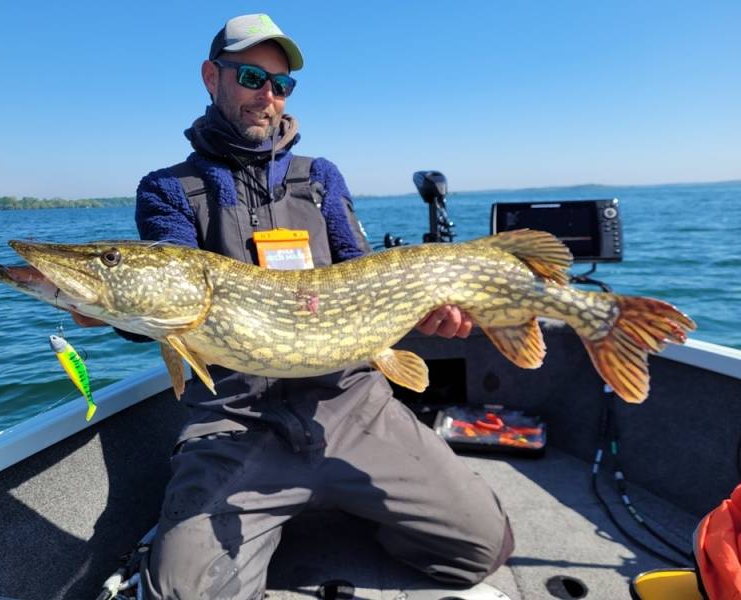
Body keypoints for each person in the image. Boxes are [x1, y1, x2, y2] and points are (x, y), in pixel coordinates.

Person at [76, 13, 513, 599]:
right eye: (253, 77)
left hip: (351, 406)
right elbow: (169, 297)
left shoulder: (321, 178)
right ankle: (288, 516)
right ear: (212, 77)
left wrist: (425, 313)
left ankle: (342, 509)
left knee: (482, 549)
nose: (269, 96)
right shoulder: (168, 189)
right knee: (180, 594)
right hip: (234, 423)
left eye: (282, 84)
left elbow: (363, 275)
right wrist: (107, 306)